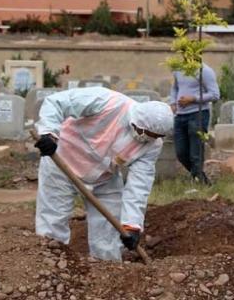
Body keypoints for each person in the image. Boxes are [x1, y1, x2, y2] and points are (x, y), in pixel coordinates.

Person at [34, 87, 173, 261]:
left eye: (155, 136)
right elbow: (57, 102)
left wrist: (132, 225)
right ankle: (50, 265)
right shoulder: (108, 102)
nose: (147, 139)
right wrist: (49, 133)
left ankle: (106, 272)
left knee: (108, 231)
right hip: (62, 162)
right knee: (52, 221)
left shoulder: (152, 145)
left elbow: (139, 184)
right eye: (144, 133)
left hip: (104, 177)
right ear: (135, 122)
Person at [169, 63, 220, 184]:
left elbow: (215, 94)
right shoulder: (179, 69)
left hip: (198, 114)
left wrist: (193, 99)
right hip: (180, 115)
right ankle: (201, 179)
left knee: (195, 153)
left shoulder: (205, 71)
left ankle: (198, 182)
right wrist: (173, 102)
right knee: (181, 153)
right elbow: (175, 87)